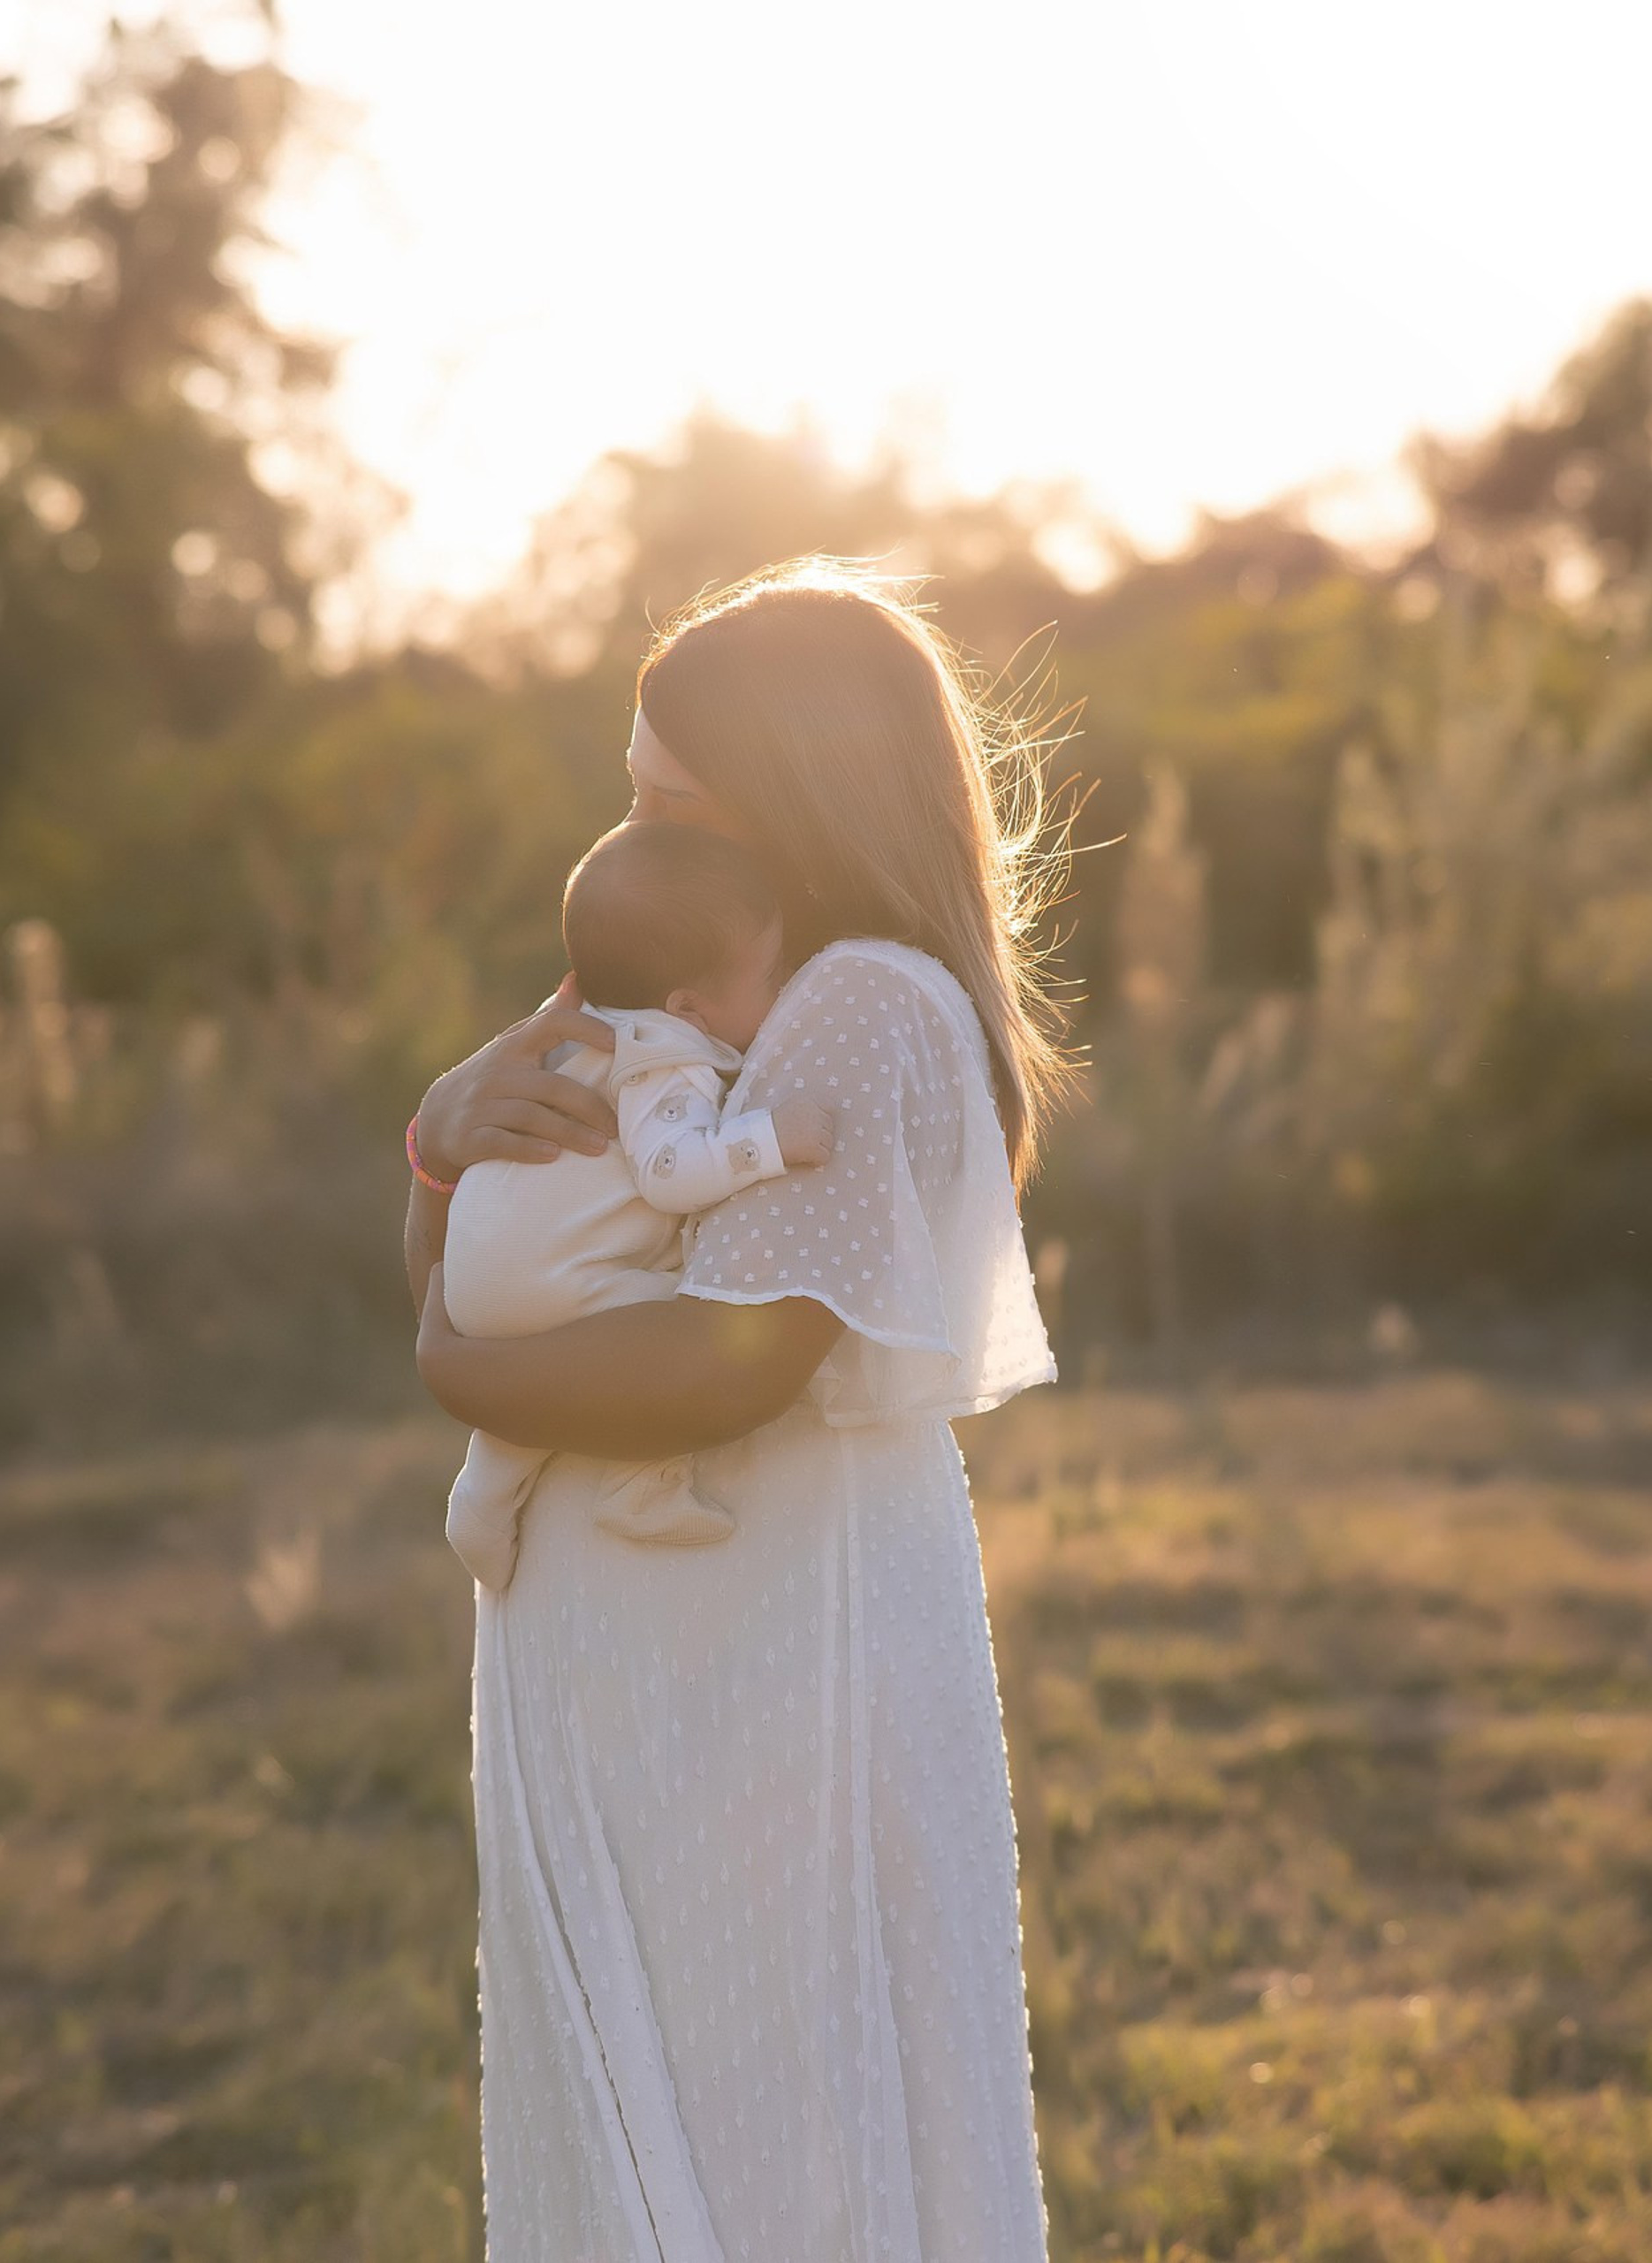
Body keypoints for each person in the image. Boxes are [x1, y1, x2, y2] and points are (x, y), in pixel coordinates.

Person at [407, 556, 1074, 2262]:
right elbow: (497, 1248)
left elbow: (740, 1353)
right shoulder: (672, 999)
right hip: (641, 1653)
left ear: (797, 799)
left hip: (772, 1653)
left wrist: (458, 1374)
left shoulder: (864, 1001)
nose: (633, 842)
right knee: (647, 2101)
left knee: (786, 2120)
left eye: (670, 803)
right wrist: (446, 1138)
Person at [441, 819, 837, 1591]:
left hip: (489, 1276)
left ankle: (483, 1494)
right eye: (771, 976)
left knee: (602, 1321)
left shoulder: (603, 1034)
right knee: (683, 1322)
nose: (785, 985)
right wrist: (771, 1138)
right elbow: (667, 1171)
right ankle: (641, 1482)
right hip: (540, 1278)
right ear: (687, 1005)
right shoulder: (669, 1059)